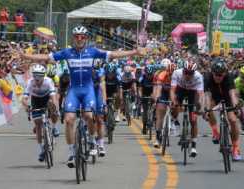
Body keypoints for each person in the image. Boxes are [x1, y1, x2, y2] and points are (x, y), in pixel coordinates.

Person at [19, 25, 146, 168]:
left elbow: (113, 54)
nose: (79, 39)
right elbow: (45, 57)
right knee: (68, 120)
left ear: (86, 38)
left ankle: (92, 140)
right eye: (77, 37)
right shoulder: (67, 53)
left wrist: (134, 51)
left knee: (88, 116)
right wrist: (26, 56)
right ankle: (71, 152)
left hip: (88, 90)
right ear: (73, 38)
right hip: (73, 91)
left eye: (82, 37)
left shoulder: (92, 52)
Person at [203, 58, 241, 161]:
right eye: (216, 74)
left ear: (225, 73)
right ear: (212, 73)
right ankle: (215, 132)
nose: (219, 77)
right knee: (209, 108)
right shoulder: (207, 77)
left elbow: (232, 94)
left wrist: (236, 107)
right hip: (215, 97)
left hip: (227, 97)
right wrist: (206, 109)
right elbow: (207, 95)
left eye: (221, 75)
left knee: (233, 120)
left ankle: (235, 148)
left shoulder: (229, 77)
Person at [21, 64, 58, 162]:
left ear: (43, 75)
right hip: (36, 100)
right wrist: (27, 107)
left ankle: (54, 128)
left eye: (39, 75)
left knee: (53, 108)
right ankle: (41, 149)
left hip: (47, 98)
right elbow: (24, 99)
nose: (37, 78)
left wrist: (55, 108)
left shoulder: (48, 81)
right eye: (35, 75)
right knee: (38, 124)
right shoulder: (30, 82)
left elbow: (54, 97)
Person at [170, 59, 204, 157]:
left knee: (193, 120)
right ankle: (174, 120)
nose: (188, 75)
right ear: (183, 70)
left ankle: (193, 146)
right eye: (186, 73)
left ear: (194, 72)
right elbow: (172, 90)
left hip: (192, 92)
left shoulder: (198, 76)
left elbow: (200, 94)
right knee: (175, 105)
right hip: (180, 89)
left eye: (190, 73)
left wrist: (200, 106)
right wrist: (174, 102)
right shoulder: (177, 73)